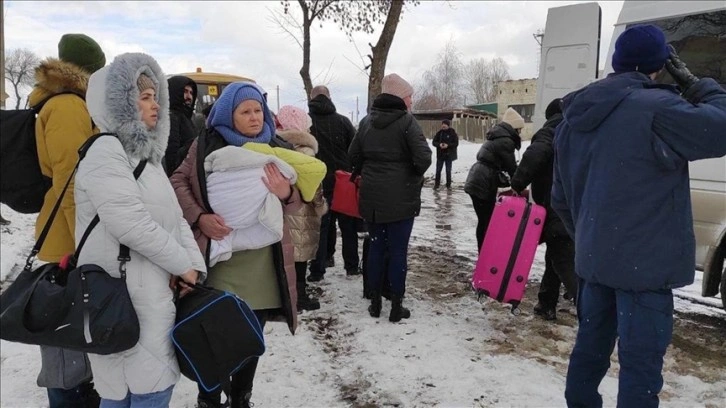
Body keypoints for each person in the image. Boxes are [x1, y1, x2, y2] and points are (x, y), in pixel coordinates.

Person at [552, 25, 726, 407]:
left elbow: (560, 198)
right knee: (640, 366)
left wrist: (591, 238)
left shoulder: (573, 118)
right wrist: (699, 85)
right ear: (661, 65)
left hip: (595, 263)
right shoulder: (657, 110)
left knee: (589, 353)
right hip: (644, 270)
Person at [78, 52, 206, 407]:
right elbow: (130, 222)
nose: (156, 107)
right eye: (145, 98)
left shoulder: (145, 159)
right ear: (118, 103)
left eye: (156, 97)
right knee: (133, 394)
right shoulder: (106, 151)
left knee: (149, 388)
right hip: (120, 301)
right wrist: (183, 265)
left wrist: (193, 271)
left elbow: (176, 219)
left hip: (147, 298)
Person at [171, 82, 303, 408]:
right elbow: (177, 182)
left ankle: (242, 397)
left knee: (250, 335)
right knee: (216, 331)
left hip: (263, 262)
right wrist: (200, 217)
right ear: (229, 115)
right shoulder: (204, 144)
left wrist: (285, 193)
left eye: (258, 110)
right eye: (245, 112)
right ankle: (210, 397)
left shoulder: (277, 145)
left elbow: (306, 199)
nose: (255, 117)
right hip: (221, 258)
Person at [27, 32, 106, 408]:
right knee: (62, 337)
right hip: (67, 237)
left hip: (70, 233)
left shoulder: (67, 104)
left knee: (72, 331)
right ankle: (67, 400)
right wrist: (86, 241)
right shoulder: (69, 107)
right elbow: (71, 181)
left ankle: (75, 394)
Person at [349, 73, 432, 322]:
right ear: (401, 97)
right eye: (409, 96)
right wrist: (410, 174)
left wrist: (370, 168)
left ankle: (374, 302)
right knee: (397, 252)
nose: (411, 101)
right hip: (401, 200)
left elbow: (353, 156)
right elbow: (424, 159)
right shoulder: (407, 122)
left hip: (372, 199)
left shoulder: (366, 122)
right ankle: (396, 305)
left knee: (375, 247)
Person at [510, 98, 577, 321]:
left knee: (565, 261)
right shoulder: (578, 131)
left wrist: (518, 183)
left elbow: (533, 156)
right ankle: (546, 303)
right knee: (556, 254)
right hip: (578, 209)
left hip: (558, 207)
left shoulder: (551, 131)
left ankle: (594, 315)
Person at [276, 105, 327, 311]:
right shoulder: (306, 152)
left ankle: (284, 294)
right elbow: (313, 185)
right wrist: (321, 205)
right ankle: (298, 296)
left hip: (280, 211)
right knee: (299, 258)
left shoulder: (276, 147)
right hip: (302, 212)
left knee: (284, 256)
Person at [307, 85, 360, 280]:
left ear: (311, 98)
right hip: (343, 180)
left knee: (321, 226)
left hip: (317, 181)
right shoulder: (343, 122)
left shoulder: (307, 122)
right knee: (348, 226)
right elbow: (355, 150)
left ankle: (318, 268)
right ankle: (352, 266)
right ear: (329, 97)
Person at [464, 107, 525, 251]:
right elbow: (512, 168)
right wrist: (520, 184)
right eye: (519, 129)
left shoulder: (497, 137)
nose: (520, 133)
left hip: (477, 178)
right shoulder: (505, 141)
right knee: (487, 220)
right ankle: (485, 252)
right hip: (483, 182)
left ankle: (484, 250)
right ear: (514, 128)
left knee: (484, 219)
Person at [165, 75, 198, 175]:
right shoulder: (171, 118)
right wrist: (195, 144)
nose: (189, 97)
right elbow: (172, 159)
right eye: (185, 91)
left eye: (191, 93)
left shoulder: (185, 117)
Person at [432, 119, 459, 190]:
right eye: (442, 124)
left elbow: (456, 143)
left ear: (448, 125)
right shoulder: (439, 133)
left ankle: (448, 185)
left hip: (449, 155)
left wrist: (448, 145)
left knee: (448, 171)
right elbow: (434, 142)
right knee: (438, 170)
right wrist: (439, 144)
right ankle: (436, 185)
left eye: (445, 124)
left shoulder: (452, 133)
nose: (443, 125)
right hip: (440, 155)